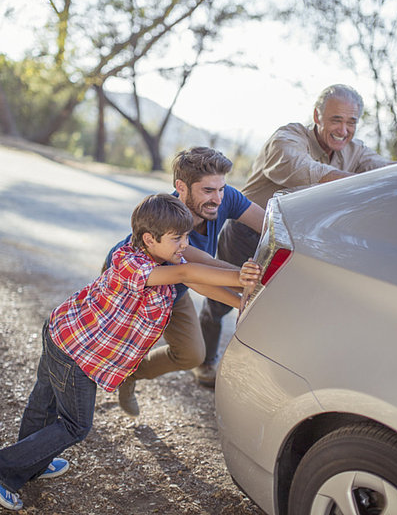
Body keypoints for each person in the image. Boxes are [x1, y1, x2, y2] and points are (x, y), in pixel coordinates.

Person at [0, 194, 260, 512]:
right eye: (178, 238)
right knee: (74, 425)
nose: (185, 244)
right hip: (74, 351)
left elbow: (196, 281)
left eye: (187, 236)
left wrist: (244, 299)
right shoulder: (131, 264)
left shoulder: (161, 257)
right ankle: (6, 471)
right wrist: (239, 277)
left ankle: (30, 464)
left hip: (65, 335)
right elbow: (187, 274)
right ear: (149, 238)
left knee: (43, 404)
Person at [197, 83, 395, 387]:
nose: (344, 129)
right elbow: (306, 170)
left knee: (282, 308)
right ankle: (205, 361)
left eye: (351, 122)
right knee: (225, 301)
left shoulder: (356, 151)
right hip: (248, 234)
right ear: (317, 115)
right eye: (336, 120)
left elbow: (386, 171)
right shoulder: (287, 138)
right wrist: (361, 184)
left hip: (297, 242)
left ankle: (256, 381)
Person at [103, 147, 265, 416]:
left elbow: (269, 225)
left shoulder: (224, 198)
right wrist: (246, 289)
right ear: (181, 186)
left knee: (192, 355)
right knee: (105, 352)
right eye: (208, 191)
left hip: (173, 289)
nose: (217, 198)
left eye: (221, 188)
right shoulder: (169, 221)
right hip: (131, 287)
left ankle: (130, 374)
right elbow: (199, 271)